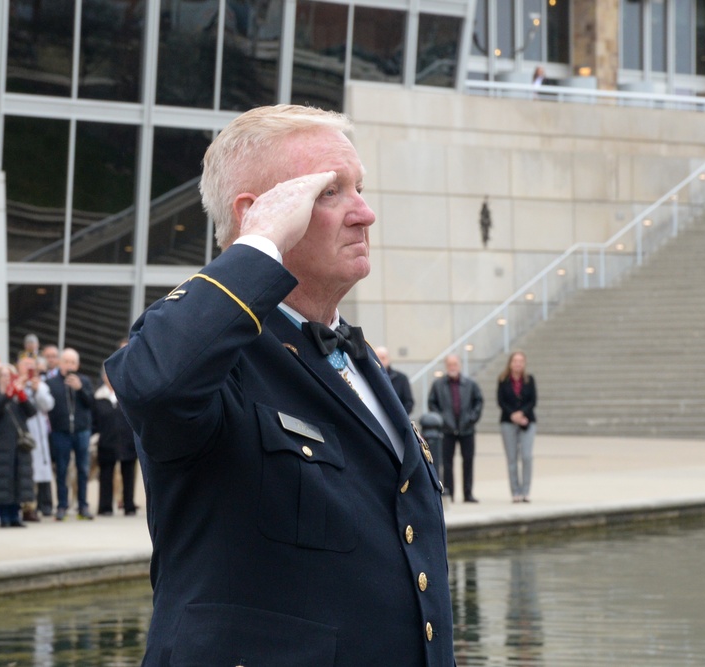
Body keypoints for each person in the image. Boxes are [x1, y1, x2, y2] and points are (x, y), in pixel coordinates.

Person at [105, 104, 456, 666]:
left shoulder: (352, 358)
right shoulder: (218, 359)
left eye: (359, 188)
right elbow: (155, 383)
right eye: (329, 192)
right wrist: (258, 246)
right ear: (257, 215)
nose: (364, 213)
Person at [0, 364, 37, 528]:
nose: (7, 378)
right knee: (2, 481)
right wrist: (6, 395)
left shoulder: (18, 395)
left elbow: (31, 412)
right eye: (4, 375)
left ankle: (15, 515)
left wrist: (22, 396)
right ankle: (4, 516)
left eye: (10, 375)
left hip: (18, 445)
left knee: (18, 480)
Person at [46, 348, 94, 521]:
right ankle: (62, 506)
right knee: (61, 469)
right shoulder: (52, 383)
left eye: (73, 362)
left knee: (83, 469)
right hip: (61, 432)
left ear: (78, 364)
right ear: (60, 363)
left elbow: (91, 403)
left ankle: (83, 505)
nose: (69, 365)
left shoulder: (85, 381)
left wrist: (80, 389)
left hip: (81, 431)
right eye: (66, 361)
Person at [428, 354, 484, 503]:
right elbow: (432, 403)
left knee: (468, 461)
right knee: (447, 462)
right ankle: (449, 492)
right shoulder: (438, 385)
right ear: (446, 366)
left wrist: (471, 419)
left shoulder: (470, 384)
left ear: (459, 365)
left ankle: (468, 493)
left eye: (455, 364)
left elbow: (478, 402)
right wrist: (442, 420)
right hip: (447, 430)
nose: (453, 367)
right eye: (450, 364)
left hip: (467, 429)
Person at [92, 352, 137, 517]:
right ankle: (105, 507)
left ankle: (129, 505)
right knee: (105, 475)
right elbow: (94, 421)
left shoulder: (126, 394)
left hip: (127, 440)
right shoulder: (97, 397)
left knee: (128, 474)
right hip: (107, 442)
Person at [16, 356, 54, 521]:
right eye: (26, 365)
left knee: (40, 470)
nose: (29, 368)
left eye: (32, 366)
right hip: (22, 432)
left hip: (38, 433)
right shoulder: (16, 383)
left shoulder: (42, 386)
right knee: (24, 471)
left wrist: (38, 390)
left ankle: (41, 506)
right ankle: (24, 506)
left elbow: (48, 405)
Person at [497, 350, 537, 503]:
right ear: (510, 363)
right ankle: (515, 491)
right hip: (508, 422)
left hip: (527, 422)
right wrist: (513, 415)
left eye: (521, 361)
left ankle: (526, 490)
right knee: (512, 458)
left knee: (526, 456)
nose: (518, 364)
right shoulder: (503, 380)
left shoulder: (529, 380)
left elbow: (533, 401)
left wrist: (522, 414)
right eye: (515, 361)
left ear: (524, 363)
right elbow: (501, 401)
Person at [375, 345, 414, 414]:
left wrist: (400, 416)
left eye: (383, 358)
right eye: (377, 358)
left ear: (388, 359)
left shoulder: (401, 378)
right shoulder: (370, 377)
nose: (380, 361)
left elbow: (408, 402)